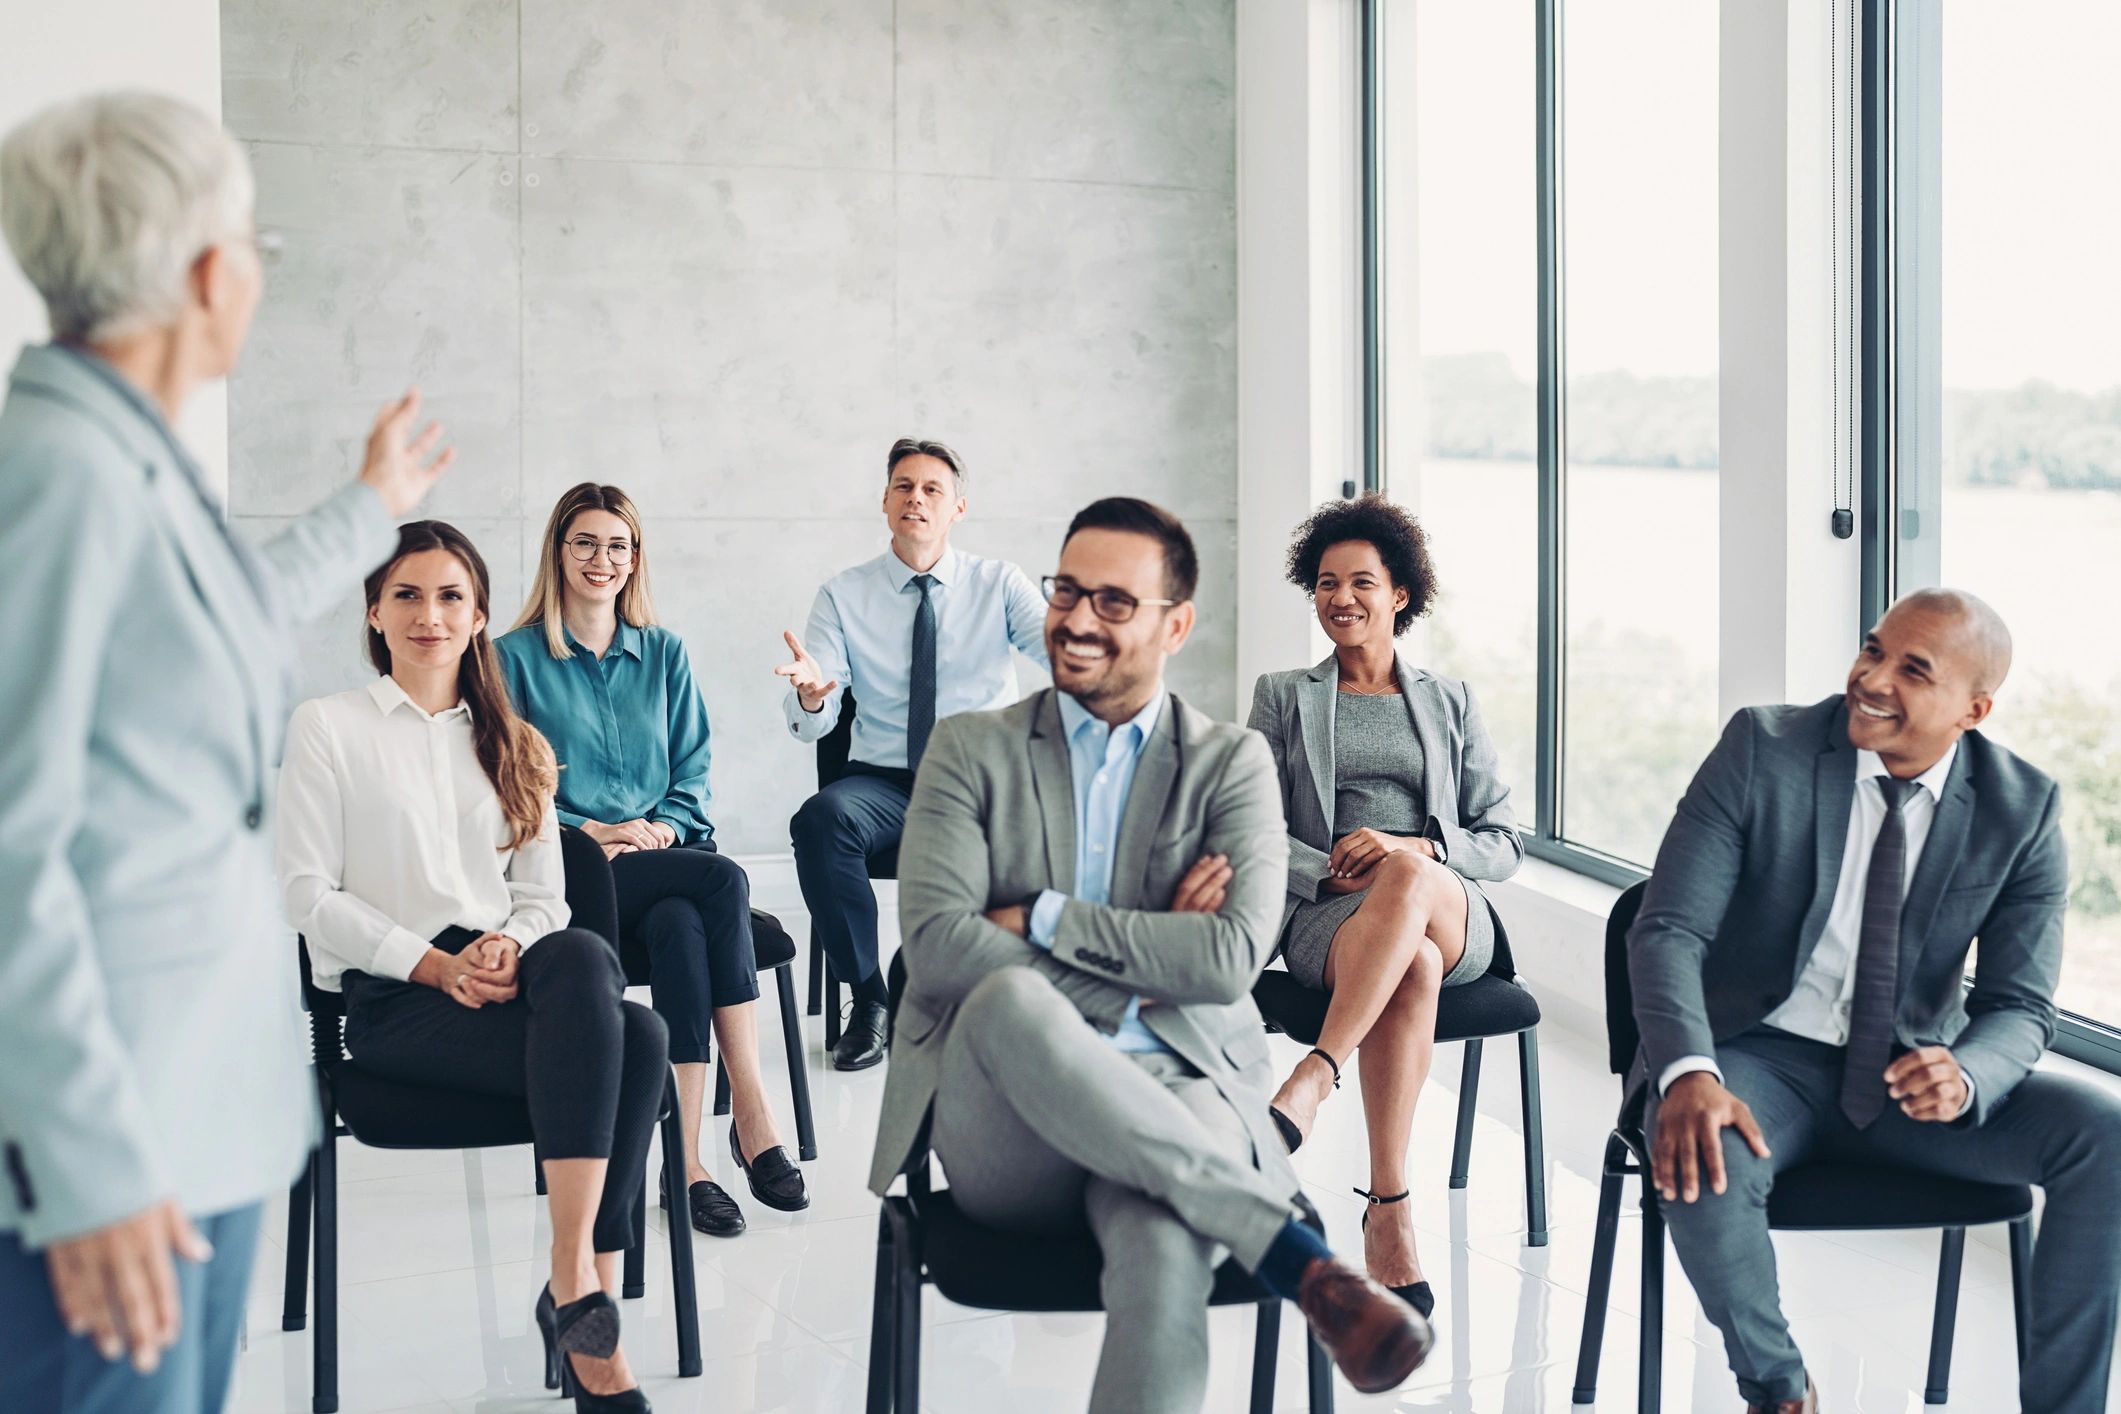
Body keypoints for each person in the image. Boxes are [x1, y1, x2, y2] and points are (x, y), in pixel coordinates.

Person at [0, 91, 452, 1413]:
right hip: (113, 1151)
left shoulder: (120, 454)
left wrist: (371, 505)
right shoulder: (60, 477)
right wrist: (89, 1165)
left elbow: (218, 619)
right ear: (210, 272)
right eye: (257, 243)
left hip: (189, 1116)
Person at [874, 497, 1435, 1413]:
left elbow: (1226, 961)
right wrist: (1149, 953)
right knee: (1008, 1005)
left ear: (1175, 626)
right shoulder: (969, 750)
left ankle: (1268, 1245)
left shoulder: (1229, 764)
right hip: (1009, 1127)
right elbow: (937, 950)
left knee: (1166, 1240)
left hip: (1182, 1084)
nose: (1075, 619)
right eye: (1065, 591)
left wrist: (1040, 918)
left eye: (1113, 601)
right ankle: (1294, 1255)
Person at [1630, 588, 2121, 1414]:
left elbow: (2020, 1005)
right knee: (1702, 1148)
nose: (1871, 678)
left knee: (2103, 1133)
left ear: (1972, 710)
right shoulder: (1762, 748)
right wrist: (1687, 1072)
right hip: (1754, 1060)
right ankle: (1780, 1389)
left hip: (1909, 1084)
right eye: (1872, 649)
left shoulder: (2022, 809)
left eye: (1912, 670)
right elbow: (1668, 931)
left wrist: (1966, 1074)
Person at [280, 521, 665, 1412]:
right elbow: (306, 895)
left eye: (451, 596)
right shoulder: (328, 727)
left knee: (586, 962)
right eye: (407, 595)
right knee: (639, 1040)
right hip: (394, 1004)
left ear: (481, 615)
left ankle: (577, 1284)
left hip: (511, 986)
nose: (430, 615)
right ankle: (584, 1301)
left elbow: (544, 899)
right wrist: (433, 966)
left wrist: (507, 945)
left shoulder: (517, 742)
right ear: (374, 612)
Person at [498, 482, 808, 1233]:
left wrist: (663, 829)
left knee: (681, 924)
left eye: (618, 545)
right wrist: (594, 832)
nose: (601, 559)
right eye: (585, 542)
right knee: (724, 879)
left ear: (635, 559)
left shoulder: (665, 652)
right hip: (575, 872)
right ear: (557, 551)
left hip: (666, 862)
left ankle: (686, 1162)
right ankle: (753, 1112)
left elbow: (693, 771)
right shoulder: (511, 659)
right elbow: (505, 784)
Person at [1246, 495, 1522, 1318]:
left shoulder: (1451, 699)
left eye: (1361, 582)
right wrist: (1325, 867)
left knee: (1409, 888)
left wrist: (1418, 849)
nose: (1341, 598)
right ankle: (1390, 1209)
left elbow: (1503, 840)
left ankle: (1315, 1073)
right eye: (1326, 583)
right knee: (1414, 968)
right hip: (1331, 915)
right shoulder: (1282, 695)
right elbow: (1247, 824)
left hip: (1446, 905)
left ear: (1399, 595)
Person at [777, 437, 1048, 1069]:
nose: (916, 498)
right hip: (884, 786)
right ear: (884, 501)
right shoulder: (843, 595)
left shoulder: (999, 584)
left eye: (932, 489)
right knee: (820, 820)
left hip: (978, 784)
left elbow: (1061, 654)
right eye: (903, 486)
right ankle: (872, 1000)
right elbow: (814, 712)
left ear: (958, 508)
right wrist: (812, 698)